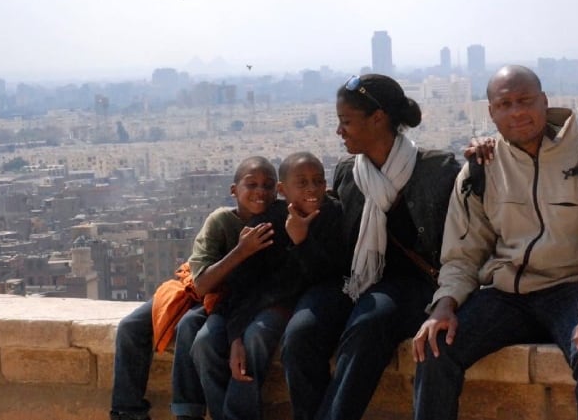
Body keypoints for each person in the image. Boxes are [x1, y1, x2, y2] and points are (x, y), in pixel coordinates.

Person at [412, 65, 578, 420]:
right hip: (507, 295)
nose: (517, 111)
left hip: (573, 291)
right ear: (491, 113)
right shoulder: (482, 168)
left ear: (544, 102)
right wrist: (445, 304)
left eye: (525, 100)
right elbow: (463, 254)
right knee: (435, 349)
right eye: (504, 104)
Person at [280, 74, 461, 420]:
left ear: (378, 119)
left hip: (416, 286)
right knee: (302, 334)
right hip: (355, 280)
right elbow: (339, 253)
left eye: (346, 122)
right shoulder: (350, 173)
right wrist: (302, 241)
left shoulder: (438, 171)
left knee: (368, 324)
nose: (339, 132)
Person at [109, 156, 277, 420]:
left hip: (226, 300)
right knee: (131, 327)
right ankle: (127, 412)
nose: (260, 192)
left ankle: (188, 412)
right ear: (234, 190)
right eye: (251, 184)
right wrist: (241, 251)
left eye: (268, 185)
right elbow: (199, 285)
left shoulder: (276, 219)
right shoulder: (221, 221)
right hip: (197, 289)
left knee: (190, 329)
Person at [191, 153, 343, 420]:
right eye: (302, 183)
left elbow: (326, 277)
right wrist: (235, 333)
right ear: (283, 190)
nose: (311, 189)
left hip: (295, 306)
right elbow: (244, 283)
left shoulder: (333, 216)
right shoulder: (267, 223)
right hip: (251, 304)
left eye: (317, 181)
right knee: (205, 342)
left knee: (257, 337)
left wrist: (301, 241)